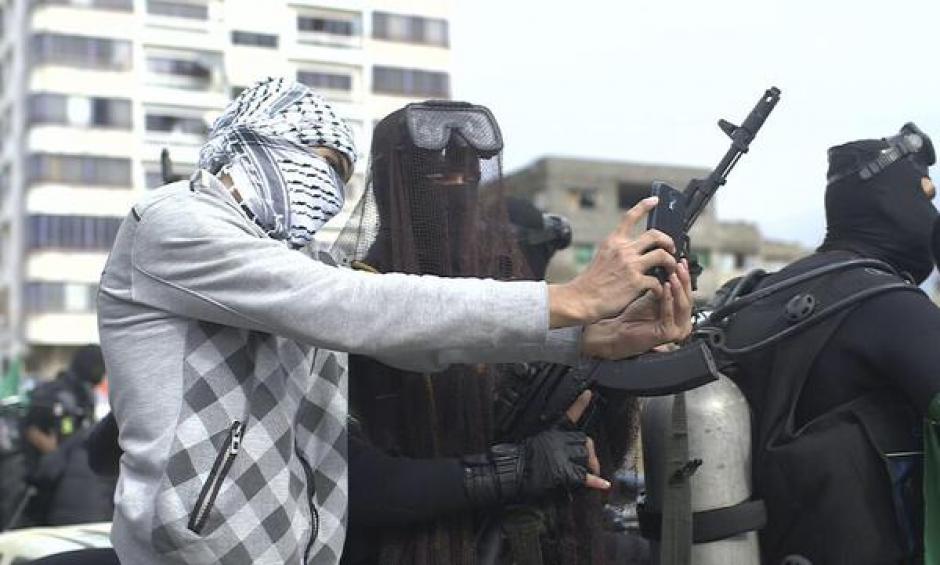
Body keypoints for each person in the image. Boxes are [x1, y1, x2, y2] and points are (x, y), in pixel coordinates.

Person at [97, 78, 682, 565]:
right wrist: (571, 299)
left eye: (338, 176)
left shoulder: (299, 261)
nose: (323, 188)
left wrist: (586, 337)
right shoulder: (174, 224)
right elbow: (360, 308)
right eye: (317, 163)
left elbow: (411, 341)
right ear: (248, 145)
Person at [340, 101, 689, 565]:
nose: (455, 191)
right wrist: (509, 470)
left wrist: (620, 349)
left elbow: (586, 455)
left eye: (467, 176)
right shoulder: (349, 301)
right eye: (434, 177)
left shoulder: (505, 294)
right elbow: (353, 482)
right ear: (394, 187)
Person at [703, 123, 940, 564]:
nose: (932, 215)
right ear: (891, 203)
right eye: (926, 197)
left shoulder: (748, 295)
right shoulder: (891, 306)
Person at [18, 345, 112, 527]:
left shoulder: (83, 395)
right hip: (45, 484)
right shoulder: (55, 394)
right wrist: (56, 452)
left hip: (66, 481)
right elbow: (32, 432)